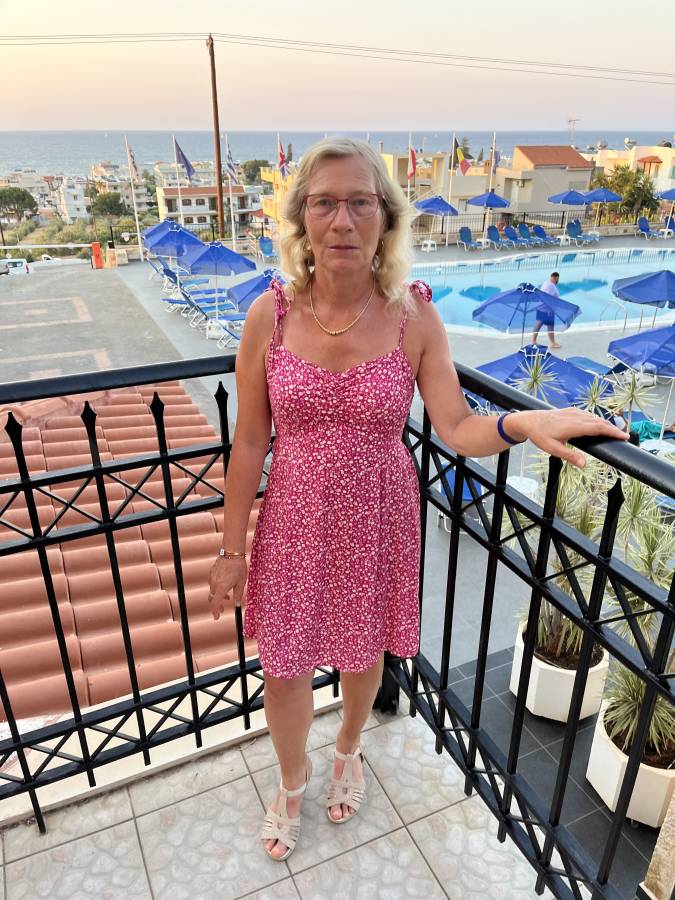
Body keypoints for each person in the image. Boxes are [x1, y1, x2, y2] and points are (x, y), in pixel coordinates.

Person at [207, 138, 628, 862]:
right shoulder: (268, 316)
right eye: (324, 203)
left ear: (386, 217)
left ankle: (348, 751)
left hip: (378, 516)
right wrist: (230, 550)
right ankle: (292, 779)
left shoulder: (413, 317)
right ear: (302, 218)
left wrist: (523, 422)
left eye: (360, 202)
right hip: (294, 519)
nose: (342, 220)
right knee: (283, 665)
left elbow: (457, 426)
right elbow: (248, 443)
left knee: (362, 648)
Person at [530, 271, 562, 349]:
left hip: (542, 308)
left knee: (539, 324)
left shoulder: (546, 283)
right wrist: (551, 310)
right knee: (550, 326)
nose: (558, 281)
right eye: (558, 279)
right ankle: (552, 343)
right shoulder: (551, 286)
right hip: (547, 309)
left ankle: (534, 341)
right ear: (556, 278)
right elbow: (548, 299)